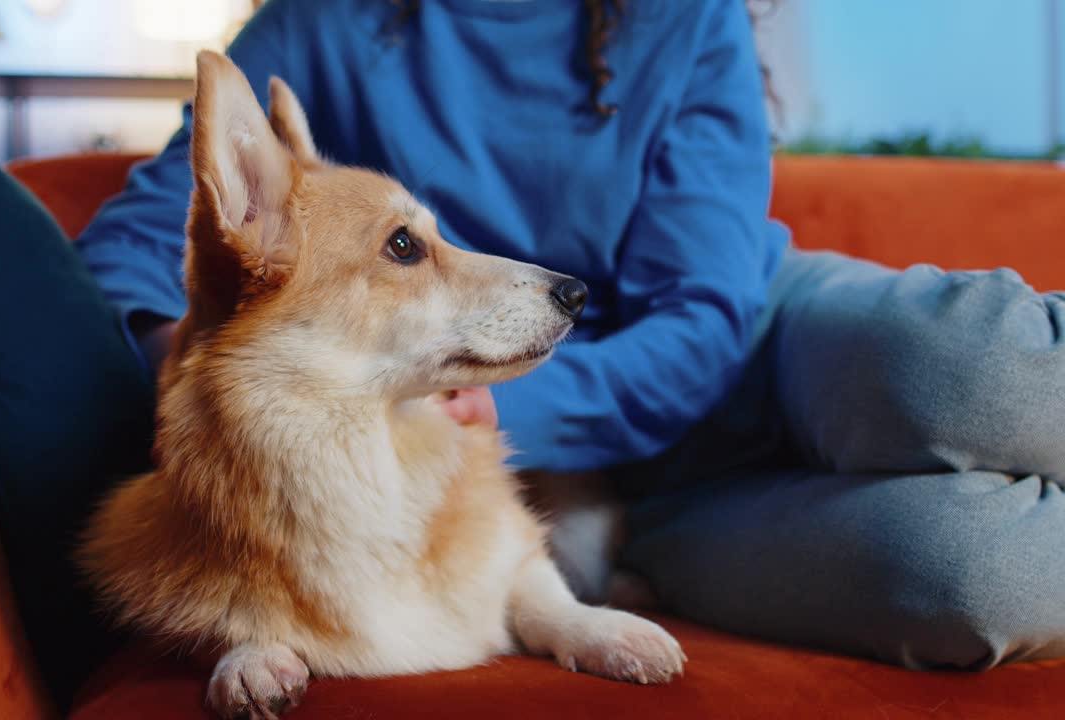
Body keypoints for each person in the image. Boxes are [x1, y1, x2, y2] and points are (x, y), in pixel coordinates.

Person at [77, 0, 1065, 670]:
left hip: (748, 352)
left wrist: (502, 397)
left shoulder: (680, 13)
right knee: (983, 577)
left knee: (986, 374)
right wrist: (234, 379)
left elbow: (703, 312)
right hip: (610, 500)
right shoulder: (324, 18)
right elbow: (135, 250)